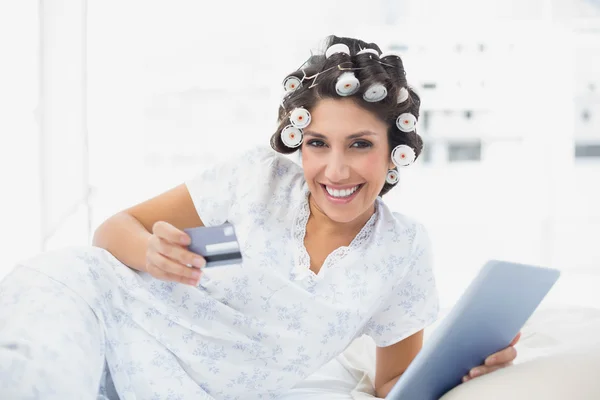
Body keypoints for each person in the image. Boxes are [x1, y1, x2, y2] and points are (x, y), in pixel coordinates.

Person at [0, 35, 518, 399]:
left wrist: (467, 370)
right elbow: (113, 231)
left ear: (394, 152)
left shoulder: (401, 250)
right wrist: (150, 251)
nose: (335, 169)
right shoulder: (260, 180)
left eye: (360, 145)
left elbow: (392, 384)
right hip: (91, 305)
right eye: (317, 144)